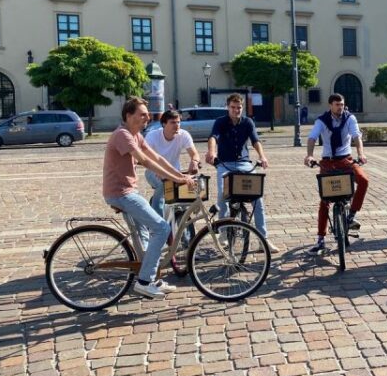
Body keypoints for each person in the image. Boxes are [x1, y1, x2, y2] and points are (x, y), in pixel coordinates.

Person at [103, 97, 196, 299]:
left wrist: (181, 176)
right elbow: (145, 161)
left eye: (147, 114)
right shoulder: (123, 135)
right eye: (142, 114)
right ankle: (144, 282)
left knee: (145, 233)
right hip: (121, 193)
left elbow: (158, 157)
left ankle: (150, 276)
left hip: (129, 191)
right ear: (129, 116)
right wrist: (176, 179)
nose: (147, 117)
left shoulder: (136, 136)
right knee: (162, 227)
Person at [205, 93, 278, 254]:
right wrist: (211, 152)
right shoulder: (220, 122)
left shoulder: (248, 122)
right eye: (233, 107)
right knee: (223, 196)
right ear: (227, 107)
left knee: (257, 199)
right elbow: (213, 137)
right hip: (225, 164)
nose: (236, 110)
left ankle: (262, 239)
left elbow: (255, 140)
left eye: (238, 107)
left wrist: (262, 156)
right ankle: (223, 234)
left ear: (242, 108)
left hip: (245, 164)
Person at [304, 93, 369, 253]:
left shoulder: (350, 118)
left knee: (363, 180)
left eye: (342, 104)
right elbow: (312, 137)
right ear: (330, 106)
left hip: (345, 159)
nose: (340, 107)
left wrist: (360, 154)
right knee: (324, 201)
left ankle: (351, 216)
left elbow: (356, 137)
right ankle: (320, 239)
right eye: (336, 104)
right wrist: (310, 155)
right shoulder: (322, 120)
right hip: (328, 161)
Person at [144, 109, 201, 216]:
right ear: (163, 124)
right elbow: (145, 158)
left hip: (175, 172)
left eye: (178, 122)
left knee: (195, 183)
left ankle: (185, 216)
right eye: (173, 122)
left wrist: (194, 161)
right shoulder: (152, 136)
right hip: (153, 171)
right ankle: (158, 222)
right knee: (163, 187)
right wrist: (158, 170)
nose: (177, 125)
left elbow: (194, 153)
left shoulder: (183, 135)